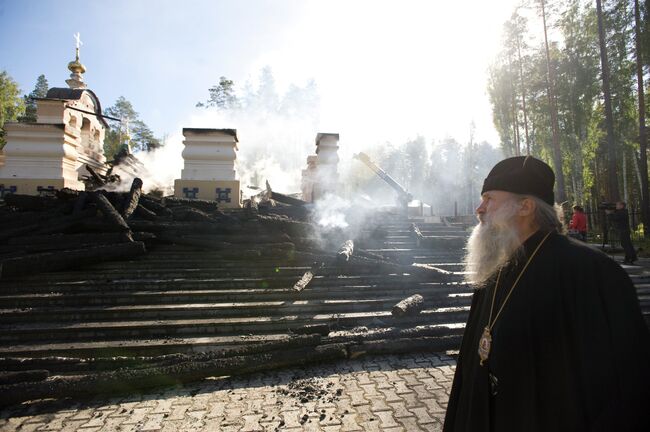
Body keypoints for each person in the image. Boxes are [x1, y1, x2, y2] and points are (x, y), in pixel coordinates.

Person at [443, 156, 650, 432]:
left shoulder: (590, 271)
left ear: (525, 206)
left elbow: (627, 385)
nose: (479, 208)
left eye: (490, 198)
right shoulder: (495, 270)